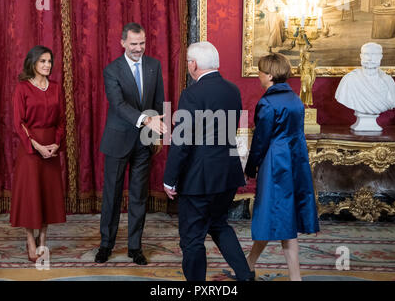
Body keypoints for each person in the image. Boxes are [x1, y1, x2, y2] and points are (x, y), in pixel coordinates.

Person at [163, 41, 254, 281]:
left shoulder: (191, 94)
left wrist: (169, 179)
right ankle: (245, 275)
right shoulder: (232, 90)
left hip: (199, 178)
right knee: (219, 224)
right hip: (227, 173)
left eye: (188, 62)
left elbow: (183, 142)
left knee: (192, 239)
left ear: (193, 64)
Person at [95, 22, 167, 265]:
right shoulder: (112, 70)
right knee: (112, 196)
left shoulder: (154, 66)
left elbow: (158, 103)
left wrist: (156, 132)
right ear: (123, 43)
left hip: (143, 142)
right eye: (134, 44)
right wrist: (146, 120)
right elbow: (118, 105)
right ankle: (106, 244)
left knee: (138, 196)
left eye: (142, 43)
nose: (139, 48)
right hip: (117, 140)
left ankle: (135, 247)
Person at [244, 53, 320, 281]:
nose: (258, 75)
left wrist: (250, 168)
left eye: (260, 71)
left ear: (268, 74)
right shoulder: (296, 100)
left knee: (273, 215)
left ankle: (291, 276)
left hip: (275, 164)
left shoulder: (268, 102)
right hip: (295, 162)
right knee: (282, 216)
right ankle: (249, 265)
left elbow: (261, 140)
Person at [11, 45, 66, 262]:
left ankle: (43, 239)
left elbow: (61, 120)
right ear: (33, 63)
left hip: (51, 149)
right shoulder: (22, 88)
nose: (47, 65)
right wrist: (36, 146)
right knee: (31, 196)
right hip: (30, 150)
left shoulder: (55, 87)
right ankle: (29, 239)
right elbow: (19, 123)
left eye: (49, 61)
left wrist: (56, 143)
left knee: (47, 196)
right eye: (42, 61)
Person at [335, 42, 395, 131]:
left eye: (374, 54)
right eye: (366, 54)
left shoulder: (388, 82)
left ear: (381, 57)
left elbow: (393, 101)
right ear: (361, 56)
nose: (369, 58)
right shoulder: (349, 80)